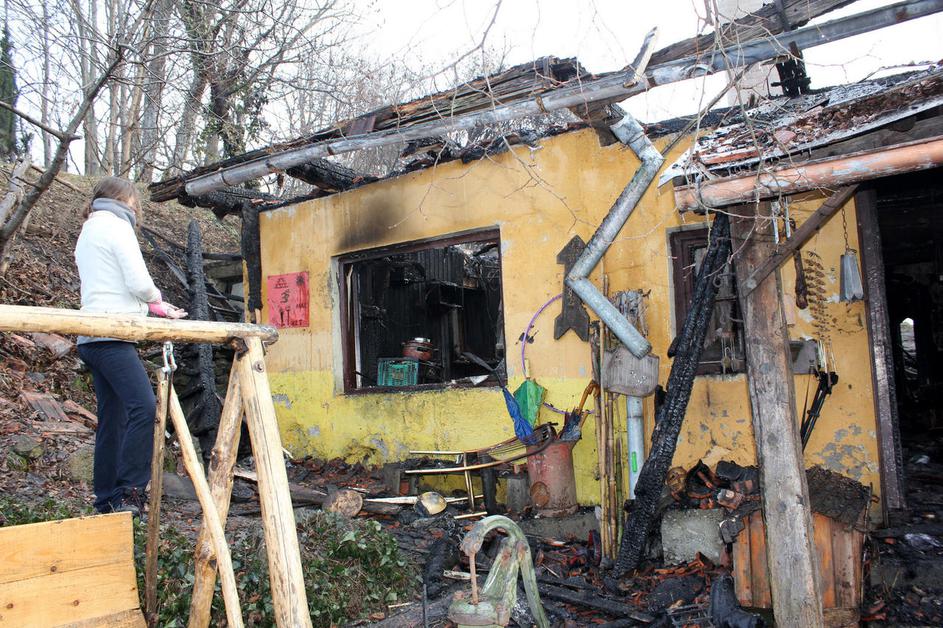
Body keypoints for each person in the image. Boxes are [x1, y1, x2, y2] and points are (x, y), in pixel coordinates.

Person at [74, 177, 187, 516]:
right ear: (124, 201)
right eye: (135, 203)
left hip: (90, 335)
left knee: (113, 418)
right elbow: (138, 281)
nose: (136, 209)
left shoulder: (88, 229)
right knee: (144, 406)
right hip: (112, 336)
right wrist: (158, 301)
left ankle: (106, 498)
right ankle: (130, 491)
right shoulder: (117, 226)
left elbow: (108, 285)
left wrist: (153, 308)